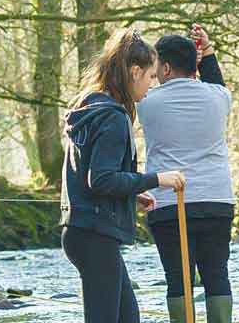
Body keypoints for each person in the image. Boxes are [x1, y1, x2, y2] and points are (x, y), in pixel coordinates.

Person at [61, 31, 187, 323]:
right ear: (135, 71)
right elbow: (102, 180)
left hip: (81, 229)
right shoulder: (114, 117)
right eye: (151, 77)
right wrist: (156, 179)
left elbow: (91, 177)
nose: (152, 85)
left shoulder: (89, 106)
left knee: (128, 317)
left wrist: (131, 191)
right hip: (95, 234)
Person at [139, 25, 235, 322]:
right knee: (216, 274)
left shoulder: (146, 103)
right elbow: (215, 81)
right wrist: (207, 53)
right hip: (216, 200)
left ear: (165, 67)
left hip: (169, 202)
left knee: (178, 279)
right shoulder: (220, 98)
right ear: (194, 66)